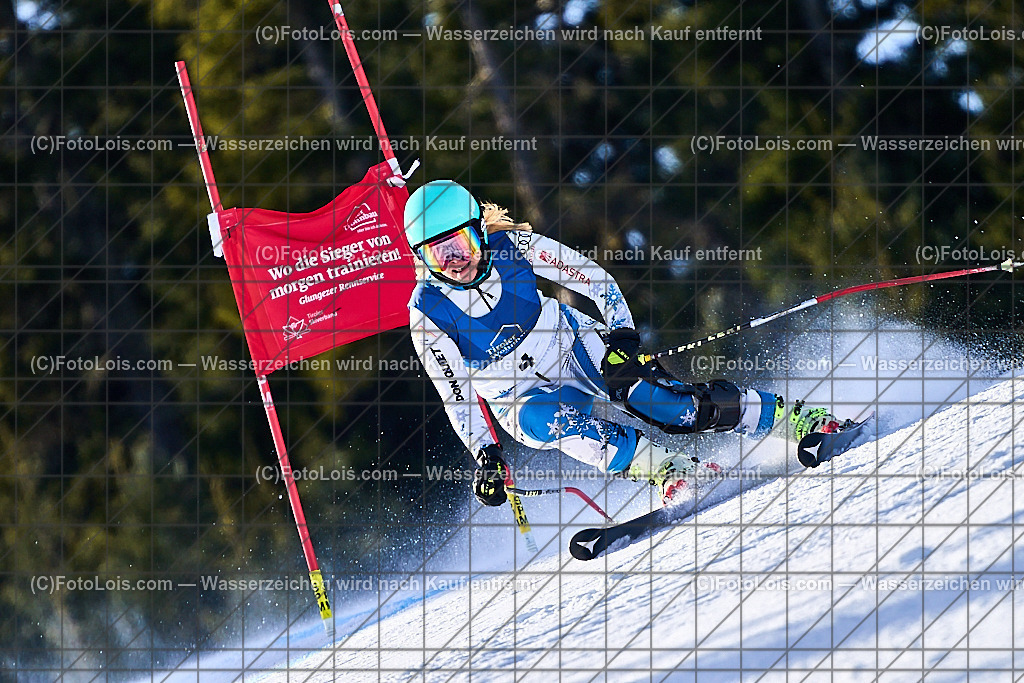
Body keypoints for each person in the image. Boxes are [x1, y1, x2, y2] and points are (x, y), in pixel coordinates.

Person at [404, 180, 849, 506]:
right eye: (436, 254)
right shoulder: (426, 311)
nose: (454, 261)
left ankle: (795, 420)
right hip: (515, 394)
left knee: (666, 405)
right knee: (551, 424)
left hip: (571, 346)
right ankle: (671, 471)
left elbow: (594, 280)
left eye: (458, 243)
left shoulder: (514, 246)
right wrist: (487, 454)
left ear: (478, 230)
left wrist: (621, 338)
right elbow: (455, 393)